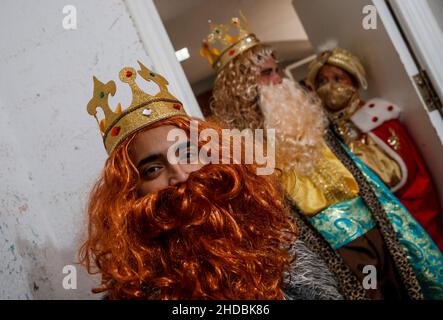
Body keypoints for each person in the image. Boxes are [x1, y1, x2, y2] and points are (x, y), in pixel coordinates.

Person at [203, 13, 443, 299]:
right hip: (332, 251)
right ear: (243, 87)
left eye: (276, 69)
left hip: (379, 228)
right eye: (267, 74)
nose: (279, 79)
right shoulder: (241, 150)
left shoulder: (305, 116)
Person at [79, 61, 343, 300]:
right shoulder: (134, 287)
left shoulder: (272, 237)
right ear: (130, 193)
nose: (181, 175)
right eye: (153, 170)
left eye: (188, 153)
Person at [306, 47, 443, 251]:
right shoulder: (323, 132)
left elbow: (397, 174)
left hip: (410, 219)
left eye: (338, 78)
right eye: (322, 81)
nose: (330, 87)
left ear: (353, 81)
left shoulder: (377, 119)